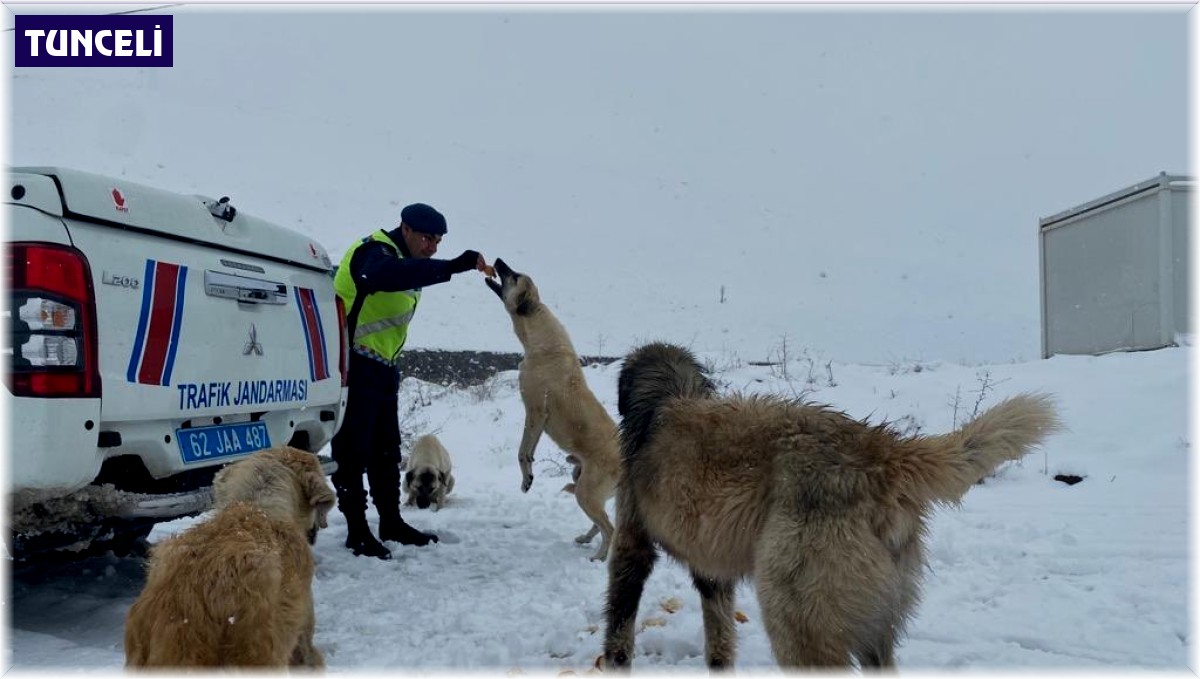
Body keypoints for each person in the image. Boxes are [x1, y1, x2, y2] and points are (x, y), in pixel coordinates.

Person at [331, 202, 488, 559]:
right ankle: (356, 530)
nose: (432, 247)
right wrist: (451, 266)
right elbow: (386, 275)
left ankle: (391, 522)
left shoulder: (405, 261)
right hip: (352, 365)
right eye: (427, 238)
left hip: (383, 367)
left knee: (386, 453)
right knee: (353, 452)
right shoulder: (374, 253)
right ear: (405, 228)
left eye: (438, 242)